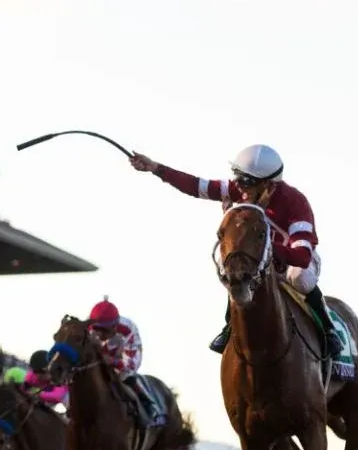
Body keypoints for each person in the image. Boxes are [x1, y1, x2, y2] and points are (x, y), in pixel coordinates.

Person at [127, 145, 343, 358]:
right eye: (237, 177)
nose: (238, 186)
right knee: (232, 264)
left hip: (291, 263)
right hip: (259, 261)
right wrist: (155, 168)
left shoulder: (295, 203)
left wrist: (263, 247)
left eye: (246, 181)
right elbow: (196, 186)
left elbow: (302, 257)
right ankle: (229, 326)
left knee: (301, 278)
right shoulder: (239, 189)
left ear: (268, 184)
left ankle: (327, 328)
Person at [87, 297, 164, 427]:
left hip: (121, 362)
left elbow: (133, 364)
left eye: (104, 330)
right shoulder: (87, 329)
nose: (99, 333)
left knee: (129, 378)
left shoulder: (127, 329)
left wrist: (113, 362)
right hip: (98, 362)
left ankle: (152, 409)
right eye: (96, 328)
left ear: (115, 326)